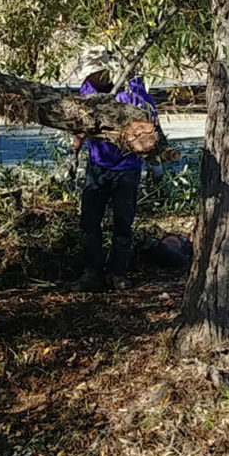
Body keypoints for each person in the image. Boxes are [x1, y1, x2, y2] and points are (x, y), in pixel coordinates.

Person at [71, 54, 162, 292]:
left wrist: (156, 160)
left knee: (123, 223)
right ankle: (92, 272)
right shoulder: (88, 89)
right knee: (90, 222)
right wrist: (74, 153)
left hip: (127, 168)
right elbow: (81, 122)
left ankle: (117, 272)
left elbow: (151, 120)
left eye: (95, 73)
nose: (91, 77)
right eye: (89, 75)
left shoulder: (131, 88)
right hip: (98, 165)